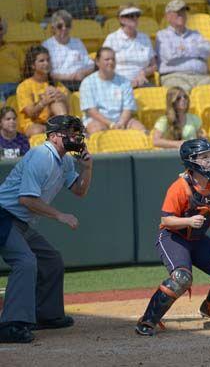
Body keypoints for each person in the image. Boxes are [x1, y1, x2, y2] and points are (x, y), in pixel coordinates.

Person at [135, 138, 210, 336]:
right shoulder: (180, 187)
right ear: (191, 161)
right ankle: (148, 320)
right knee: (181, 278)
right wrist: (188, 221)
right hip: (173, 237)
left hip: (197, 240)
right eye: (204, 157)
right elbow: (166, 220)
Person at [0, 115, 91, 344]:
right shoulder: (41, 156)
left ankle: (47, 315)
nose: (74, 136)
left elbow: (80, 191)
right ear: (53, 136)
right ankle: (11, 325)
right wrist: (60, 215)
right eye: (68, 132)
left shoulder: (66, 161)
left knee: (50, 260)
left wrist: (87, 168)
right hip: (4, 215)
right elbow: (26, 200)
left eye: (75, 131)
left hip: (20, 221)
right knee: (25, 261)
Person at [156, 0, 210, 93]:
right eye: (178, 13)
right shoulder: (162, 35)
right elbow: (169, 56)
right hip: (175, 77)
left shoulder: (196, 34)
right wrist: (195, 49)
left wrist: (182, 49)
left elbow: (207, 50)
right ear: (168, 17)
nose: (182, 15)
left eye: (183, 12)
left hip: (201, 77)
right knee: (182, 93)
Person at [79, 47, 145, 134]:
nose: (111, 62)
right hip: (97, 121)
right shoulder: (87, 82)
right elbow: (92, 111)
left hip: (122, 120)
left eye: (113, 59)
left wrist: (121, 123)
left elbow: (128, 108)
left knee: (142, 131)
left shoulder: (124, 82)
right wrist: (111, 124)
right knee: (97, 131)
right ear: (97, 62)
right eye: (107, 59)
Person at [17, 46, 70, 137]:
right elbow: (30, 113)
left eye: (48, 60)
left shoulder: (57, 84)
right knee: (37, 130)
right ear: (32, 65)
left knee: (56, 100)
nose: (46, 63)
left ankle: (63, 129)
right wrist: (44, 102)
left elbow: (67, 109)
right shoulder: (24, 86)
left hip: (54, 123)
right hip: (32, 124)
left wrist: (63, 98)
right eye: (41, 61)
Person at [102, 5, 157, 88]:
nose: (135, 18)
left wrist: (143, 73)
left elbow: (154, 65)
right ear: (121, 19)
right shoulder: (112, 38)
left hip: (142, 82)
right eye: (131, 16)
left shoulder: (144, 37)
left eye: (137, 15)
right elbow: (104, 65)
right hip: (117, 82)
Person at [42, 10, 96, 91]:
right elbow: (46, 72)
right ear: (53, 28)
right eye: (60, 26)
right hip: (59, 84)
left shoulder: (77, 42)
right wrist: (71, 77)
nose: (64, 29)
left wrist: (83, 73)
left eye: (67, 25)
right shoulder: (47, 45)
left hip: (81, 81)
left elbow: (91, 65)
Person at [0, 18, 25, 98]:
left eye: (0, 28)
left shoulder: (15, 48)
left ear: (3, 31)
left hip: (16, 87)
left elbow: (25, 69)